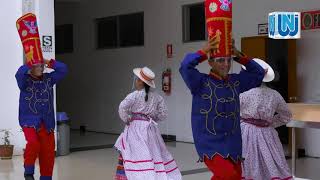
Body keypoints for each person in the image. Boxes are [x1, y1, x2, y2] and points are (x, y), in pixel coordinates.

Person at [179, 35, 265, 179]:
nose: (225, 64)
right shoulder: (200, 83)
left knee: (235, 176)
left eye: (228, 60)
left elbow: (259, 73)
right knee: (229, 175)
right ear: (210, 62)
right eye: (220, 60)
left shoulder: (236, 82)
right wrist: (203, 51)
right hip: (209, 143)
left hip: (233, 143)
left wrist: (237, 54)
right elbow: (185, 66)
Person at [16, 13, 68, 180]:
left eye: (40, 65)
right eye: (36, 65)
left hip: (47, 122)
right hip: (29, 120)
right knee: (33, 144)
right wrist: (30, 63)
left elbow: (63, 69)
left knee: (48, 155)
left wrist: (47, 61)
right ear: (30, 66)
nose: (39, 67)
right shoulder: (25, 80)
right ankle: (28, 171)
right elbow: (19, 73)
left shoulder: (48, 78)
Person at [114, 67, 182, 180]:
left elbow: (122, 107)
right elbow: (164, 113)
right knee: (152, 152)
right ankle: (151, 173)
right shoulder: (157, 97)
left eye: (137, 79)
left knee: (133, 153)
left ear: (141, 81)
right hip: (150, 129)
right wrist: (152, 117)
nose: (136, 81)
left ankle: (133, 176)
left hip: (135, 129)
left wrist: (127, 119)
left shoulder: (134, 95)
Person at [240, 61, 293, 180]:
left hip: (246, 133)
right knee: (271, 160)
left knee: (249, 160)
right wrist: (269, 123)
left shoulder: (243, 94)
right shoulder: (275, 94)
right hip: (268, 133)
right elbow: (286, 115)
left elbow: (232, 114)